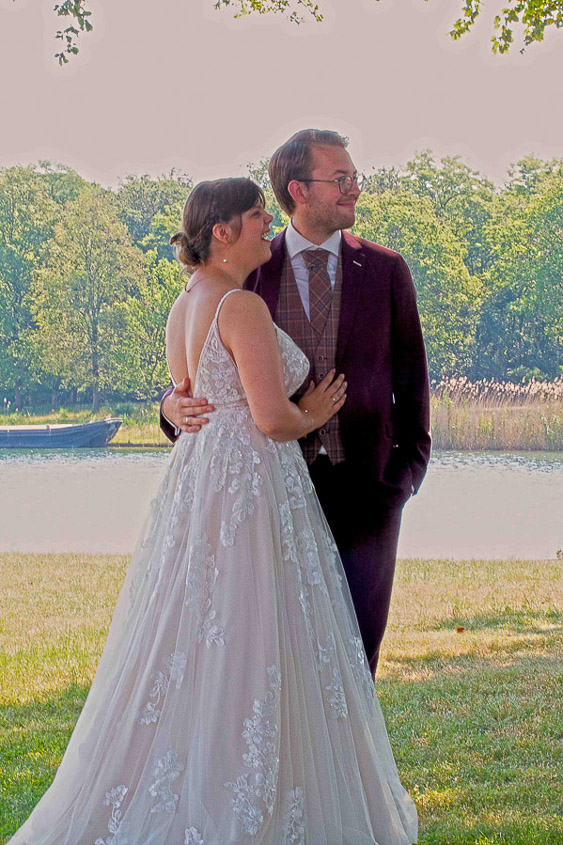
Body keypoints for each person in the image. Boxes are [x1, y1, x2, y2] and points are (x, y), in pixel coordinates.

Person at [8, 177, 418, 844]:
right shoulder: (240, 306)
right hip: (251, 484)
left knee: (198, 632)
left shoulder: (185, 303)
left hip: (202, 483)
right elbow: (270, 419)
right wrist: (312, 411)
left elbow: (189, 395)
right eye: (256, 217)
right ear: (223, 231)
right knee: (258, 629)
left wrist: (176, 406)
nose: (267, 226)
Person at [161, 129, 431, 677]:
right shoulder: (245, 268)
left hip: (368, 492)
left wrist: (404, 477)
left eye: (354, 177)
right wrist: (169, 406)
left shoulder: (386, 270)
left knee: (357, 656)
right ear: (299, 190)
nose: (354, 188)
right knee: (270, 656)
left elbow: (412, 380)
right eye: (340, 178)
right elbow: (202, 369)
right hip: (270, 495)